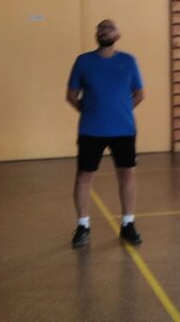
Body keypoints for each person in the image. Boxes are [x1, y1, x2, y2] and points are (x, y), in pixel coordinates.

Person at [67, 19, 146, 247]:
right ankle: (83, 226)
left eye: (109, 27)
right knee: (84, 176)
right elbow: (71, 95)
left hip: (123, 130)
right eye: (101, 28)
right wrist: (90, 111)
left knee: (127, 175)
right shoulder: (83, 61)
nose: (104, 30)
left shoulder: (128, 61)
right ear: (96, 35)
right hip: (91, 130)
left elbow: (139, 94)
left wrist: (121, 110)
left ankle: (128, 224)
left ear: (117, 34)